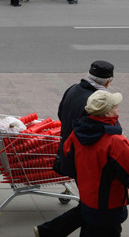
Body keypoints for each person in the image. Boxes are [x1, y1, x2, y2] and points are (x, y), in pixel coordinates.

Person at [59, 90, 129, 236]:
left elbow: (68, 153)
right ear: (107, 113)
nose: (118, 109)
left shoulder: (77, 133)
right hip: (108, 207)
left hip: (87, 199)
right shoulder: (115, 142)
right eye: (115, 107)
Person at [35, 60, 114, 237]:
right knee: (92, 206)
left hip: (68, 155)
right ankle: (48, 231)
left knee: (89, 203)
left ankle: (49, 231)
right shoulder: (98, 101)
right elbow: (101, 131)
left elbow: (61, 113)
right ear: (109, 81)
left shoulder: (72, 89)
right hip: (86, 162)